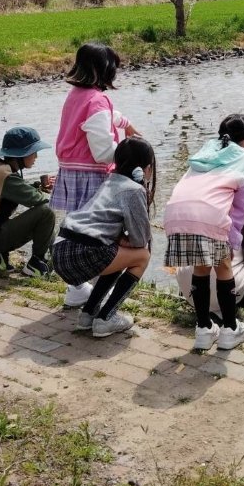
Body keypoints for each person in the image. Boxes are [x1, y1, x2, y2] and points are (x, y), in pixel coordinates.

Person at [50, 42, 141, 308]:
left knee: (75, 228)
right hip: (91, 173)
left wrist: (125, 124)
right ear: (105, 70)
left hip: (71, 170)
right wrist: (128, 157)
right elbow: (102, 150)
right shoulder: (97, 100)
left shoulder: (78, 94)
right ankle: (101, 300)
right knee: (101, 233)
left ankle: (76, 287)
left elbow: (104, 117)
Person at [164, 114, 244, 351]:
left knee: (200, 265)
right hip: (209, 215)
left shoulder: (205, 150)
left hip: (176, 212)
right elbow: (240, 207)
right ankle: (229, 329)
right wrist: (233, 240)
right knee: (223, 265)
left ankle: (204, 329)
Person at [52, 136, 154, 338]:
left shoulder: (110, 181)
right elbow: (141, 240)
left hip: (59, 251)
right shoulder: (134, 190)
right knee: (142, 255)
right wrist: (124, 240)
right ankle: (106, 318)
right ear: (146, 168)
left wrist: (119, 241)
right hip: (83, 253)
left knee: (116, 254)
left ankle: (88, 315)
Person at [0, 126, 57, 276]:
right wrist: (57, 190)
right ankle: (36, 264)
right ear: (20, 155)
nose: (36, 156)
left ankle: (2, 254)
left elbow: (21, 191)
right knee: (46, 212)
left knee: (43, 214)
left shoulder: (1, 169)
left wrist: (39, 186)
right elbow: (38, 201)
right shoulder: (5, 175)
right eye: (33, 152)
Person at [175, 186, 244, 322]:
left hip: (191, 294)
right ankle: (229, 313)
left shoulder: (205, 217)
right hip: (226, 294)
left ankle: (211, 312)